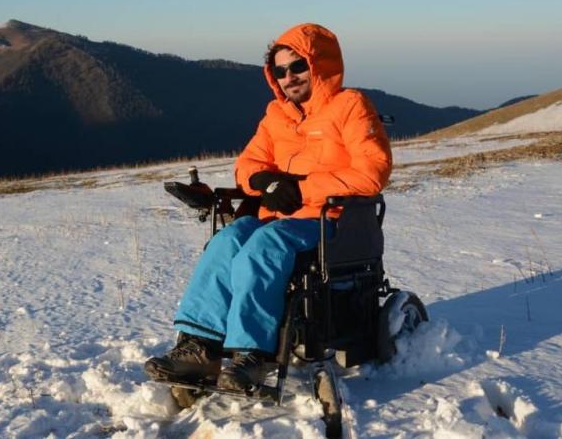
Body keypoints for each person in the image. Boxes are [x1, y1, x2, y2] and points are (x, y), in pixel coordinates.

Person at [145, 23, 392, 391]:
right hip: (278, 217)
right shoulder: (277, 115)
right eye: (280, 70)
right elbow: (248, 163)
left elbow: (372, 172)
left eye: (298, 66)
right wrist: (265, 182)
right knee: (227, 241)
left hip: (333, 220)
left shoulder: (350, 106)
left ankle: (252, 357)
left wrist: (301, 188)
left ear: (319, 65)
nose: (289, 77)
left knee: (264, 246)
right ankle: (200, 347)